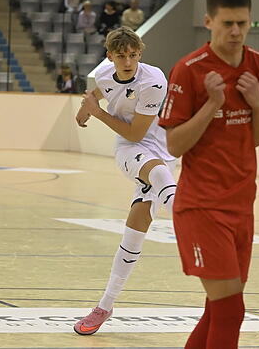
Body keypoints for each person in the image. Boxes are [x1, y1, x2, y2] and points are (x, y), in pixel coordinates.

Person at [159, 0, 259, 348]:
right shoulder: (189, 70)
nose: (237, 32)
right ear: (208, 21)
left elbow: (257, 138)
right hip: (202, 207)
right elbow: (174, 145)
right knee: (229, 309)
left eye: (243, 23)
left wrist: (256, 103)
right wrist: (211, 105)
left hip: (242, 206)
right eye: (227, 23)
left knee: (218, 308)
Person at [73, 27, 177, 335]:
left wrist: (98, 114)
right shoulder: (105, 73)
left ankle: (105, 304)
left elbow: (137, 131)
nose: (128, 61)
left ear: (140, 54)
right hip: (129, 150)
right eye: (121, 56)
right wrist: (84, 111)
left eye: (133, 55)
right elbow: (97, 93)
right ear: (110, 57)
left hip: (158, 146)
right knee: (157, 174)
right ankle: (190, 214)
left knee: (133, 237)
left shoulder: (153, 81)